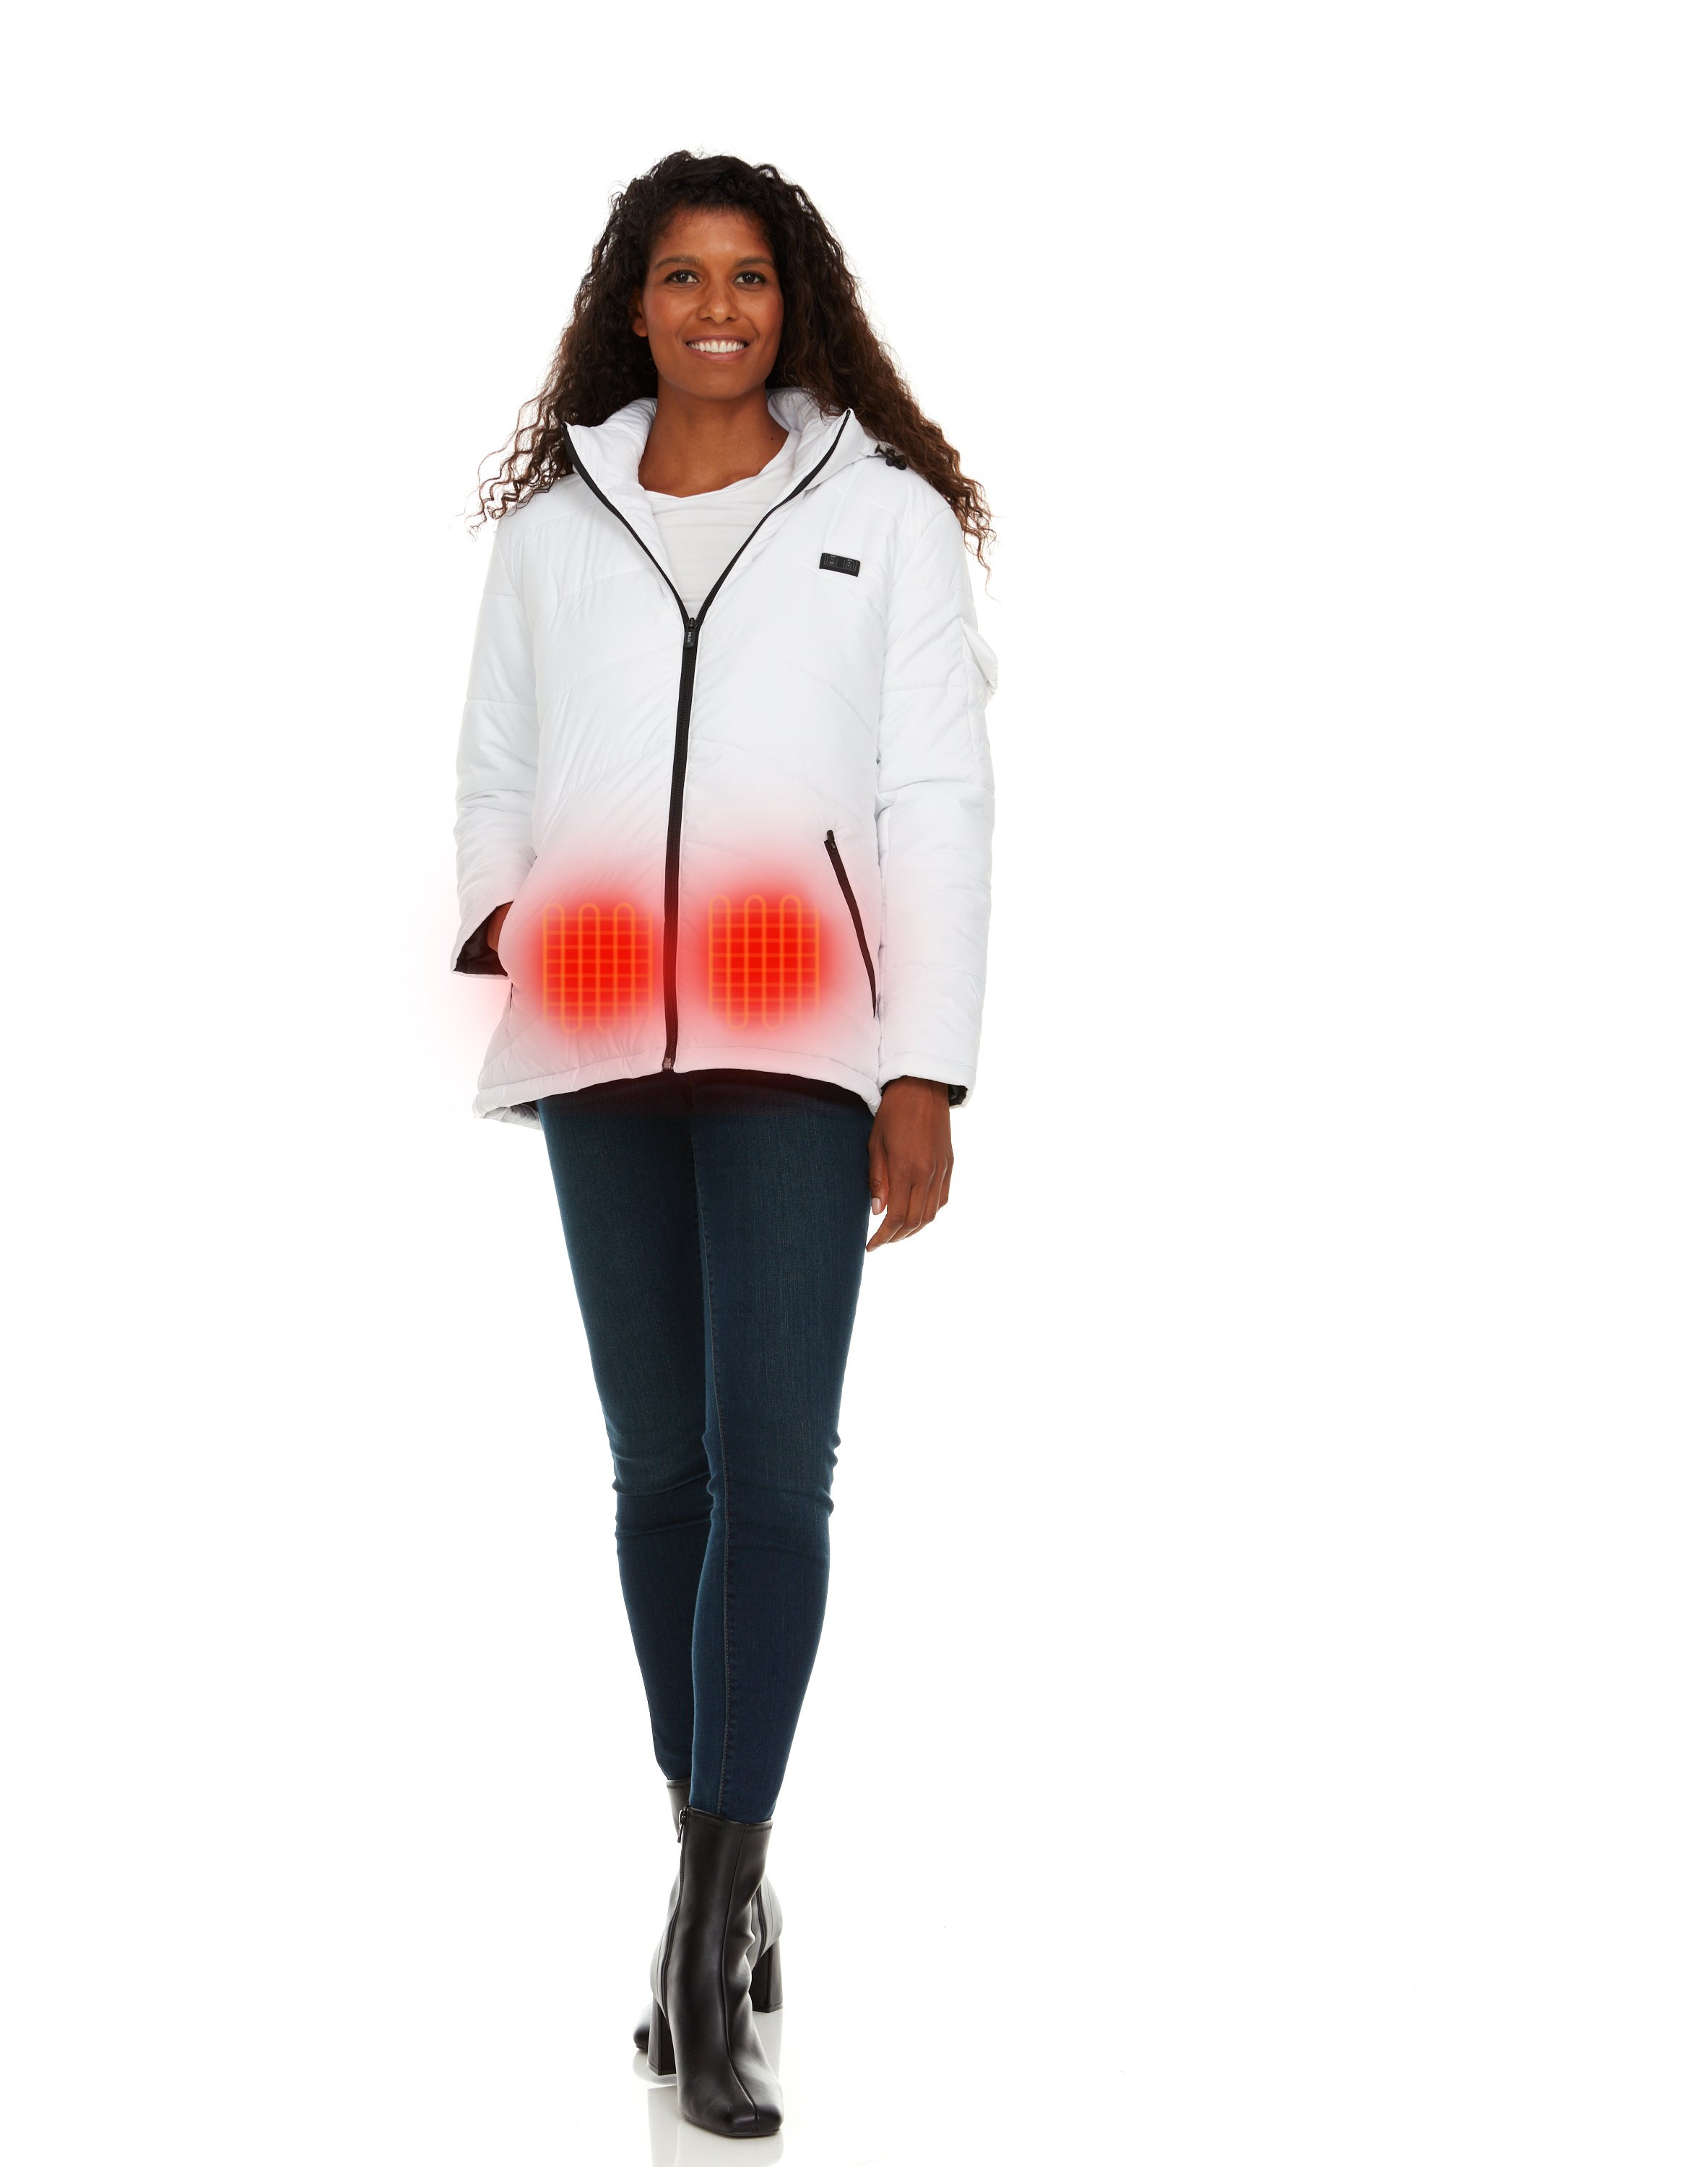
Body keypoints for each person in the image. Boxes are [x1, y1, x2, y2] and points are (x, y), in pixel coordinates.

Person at [451, 150, 997, 2139]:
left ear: (794, 304)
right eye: (681, 276)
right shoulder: (553, 533)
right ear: (633, 303)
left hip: (797, 1036)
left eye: (747, 278)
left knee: (774, 1468)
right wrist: (507, 936)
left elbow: (937, 794)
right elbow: (495, 765)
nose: (714, 308)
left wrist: (924, 1069)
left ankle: (704, 1922)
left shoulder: (884, 517)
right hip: (602, 1027)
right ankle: (727, 1868)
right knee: (659, 1477)